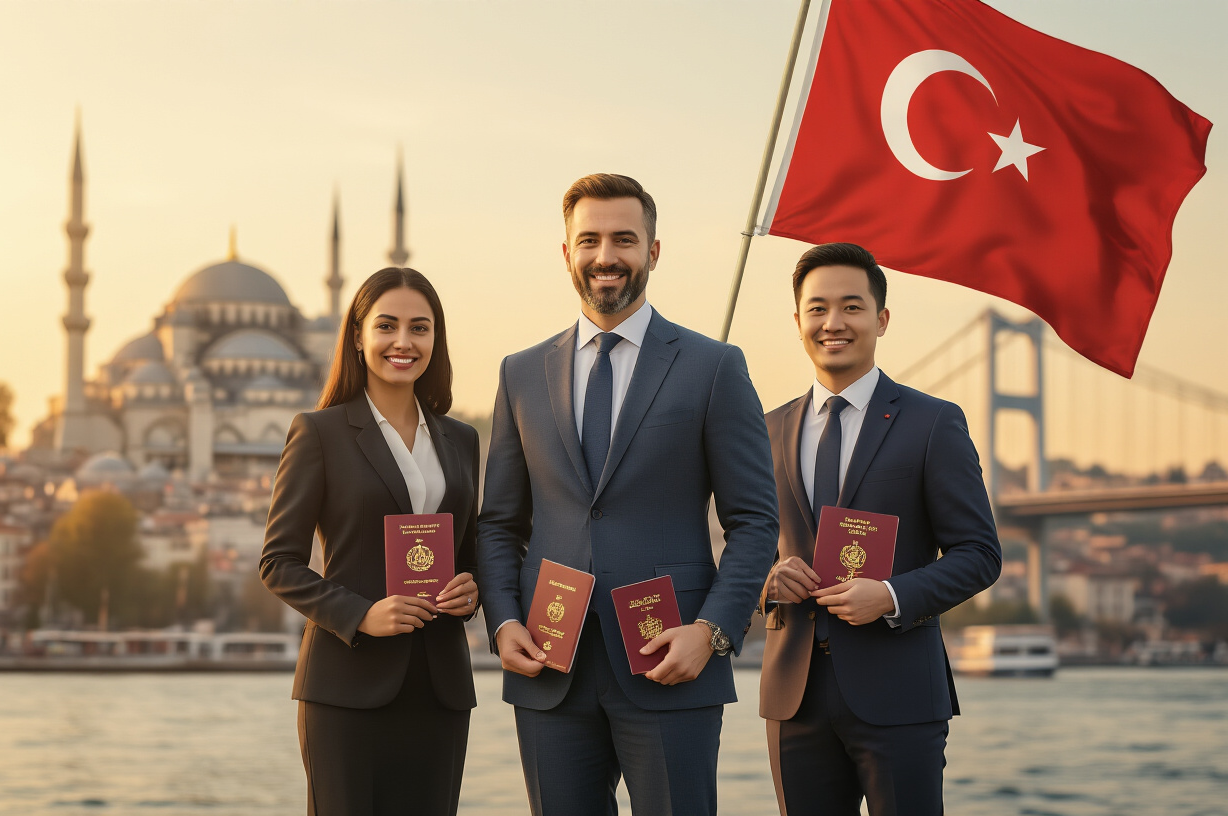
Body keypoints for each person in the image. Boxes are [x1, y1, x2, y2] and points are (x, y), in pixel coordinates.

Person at [477, 173, 780, 816]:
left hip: (673, 660)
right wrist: (502, 621)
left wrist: (715, 632)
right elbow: (499, 523)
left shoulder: (714, 366)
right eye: (589, 239)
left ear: (654, 250)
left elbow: (755, 522)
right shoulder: (520, 372)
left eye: (624, 239)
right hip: (547, 666)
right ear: (566, 252)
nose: (605, 256)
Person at [759, 242, 1003, 816]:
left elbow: (978, 553)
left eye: (851, 307)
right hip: (792, 696)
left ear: (881, 319)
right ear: (798, 322)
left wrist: (892, 595)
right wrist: (767, 578)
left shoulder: (933, 422)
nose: (833, 323)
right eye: (817, 309)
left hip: (900, 694)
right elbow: (741, 550)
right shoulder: (764, 429)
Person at [259, 267, 481, 816]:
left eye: (420, 328)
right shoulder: (320, 432)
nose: (403, 342)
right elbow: (278, 562)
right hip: (346, 685)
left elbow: (470, 552)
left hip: (441, 688)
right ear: (358, 336)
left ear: (437, 339)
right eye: (387, 326)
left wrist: (472, 592)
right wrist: (361, 615)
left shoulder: (462, 439)